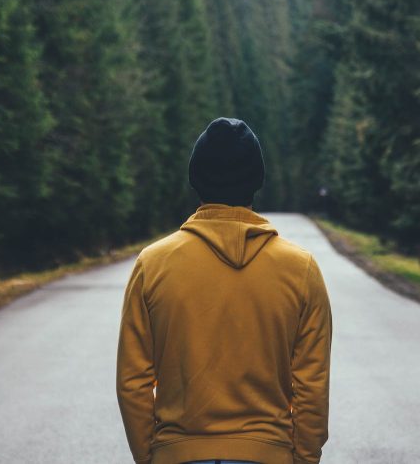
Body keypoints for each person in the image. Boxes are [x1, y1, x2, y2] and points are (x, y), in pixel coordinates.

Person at [116, 117, 333, 464]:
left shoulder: (153, 264)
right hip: (268, 454)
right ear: (256, 181)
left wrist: (153, 457)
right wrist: (303, 459)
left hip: (178, 454)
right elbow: (312, 386)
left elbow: (133, 381)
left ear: (195, 179)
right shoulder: (300, 270)